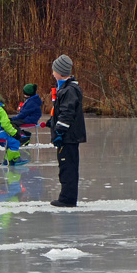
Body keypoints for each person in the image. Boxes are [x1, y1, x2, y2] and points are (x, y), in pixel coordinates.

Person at [47, 54, 86, 207]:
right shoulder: (65, 89)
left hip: (68, 138)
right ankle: (66, 197)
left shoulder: (69, 90)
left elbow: (67, 113)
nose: (52, 73)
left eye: (54, 70)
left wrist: (60, 132)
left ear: (60, 72)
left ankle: (67, 199)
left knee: (67, 167)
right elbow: (61, 112)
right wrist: (52, 122)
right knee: (66, 166)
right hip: (68, 137)